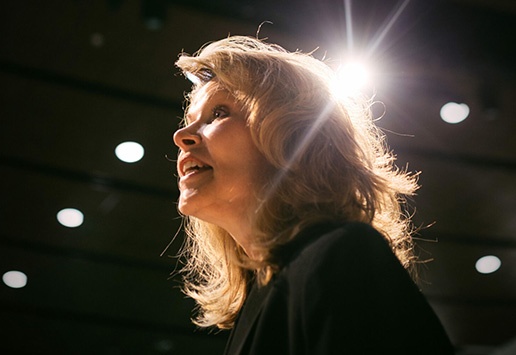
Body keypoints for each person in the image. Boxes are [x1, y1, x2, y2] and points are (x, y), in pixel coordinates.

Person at [173, 35, 454, 354]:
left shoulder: (344, 255)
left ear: (292, 138)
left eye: (218, 113)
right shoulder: (261, 295)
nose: (181, 136)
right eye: (190, 120)